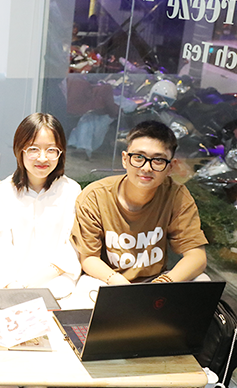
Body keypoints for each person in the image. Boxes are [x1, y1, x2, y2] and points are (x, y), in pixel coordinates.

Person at [71, 120, 208, 286]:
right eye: (138, 157)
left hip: (156, 281)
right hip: (107, 280)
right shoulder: (95, 196)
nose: (146, 168)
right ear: (125, 159)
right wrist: (119, 283)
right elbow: (89, 258)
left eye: (158, 160)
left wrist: (162, 283)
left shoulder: (176, 195)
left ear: (170, 167)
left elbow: (197, 256)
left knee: (203, 280)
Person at [0, 113, 81, 298]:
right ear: (20, 150)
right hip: (10, 287)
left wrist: (29, 284)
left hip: (57, 284)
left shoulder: (71, 190)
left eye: (51, 150)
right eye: (33, 149)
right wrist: (11, 286)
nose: (43, 158)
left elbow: (71, 247)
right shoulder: (3, 191)